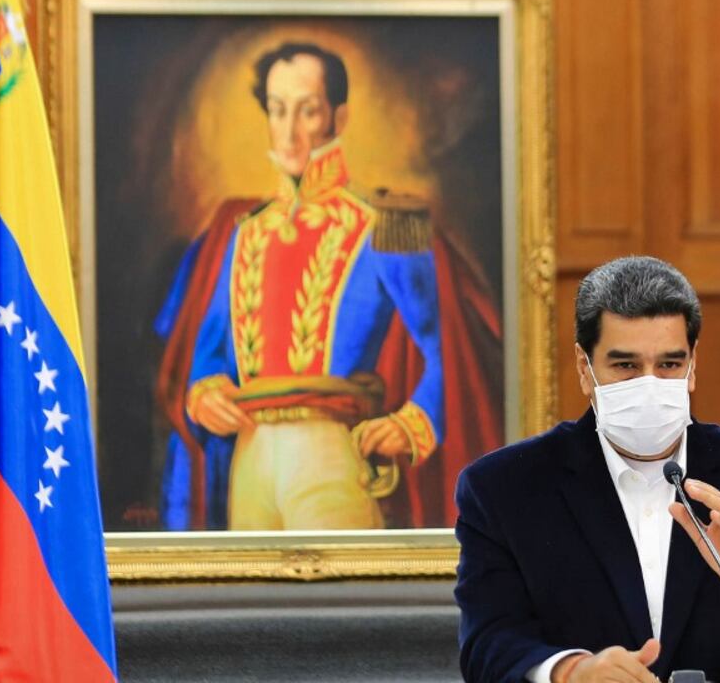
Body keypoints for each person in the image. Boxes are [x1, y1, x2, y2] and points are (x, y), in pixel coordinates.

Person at [455, 256, 720, 682]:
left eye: (669, 365)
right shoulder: (503, 489)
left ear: (693, 365)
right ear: (584, 368)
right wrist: (570, 672)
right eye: (626, 366)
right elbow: (487, 644)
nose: (649, 384)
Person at [155, 41, 501, 531]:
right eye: (277, 110)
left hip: (331, 453)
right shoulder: (244, 232)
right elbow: (209, 353)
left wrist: (411, 422)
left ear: (338, 118)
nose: (289, 131)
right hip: (250, 456)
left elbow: (445, 351)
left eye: (308, 111)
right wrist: (206, 392)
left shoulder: (381, 226)